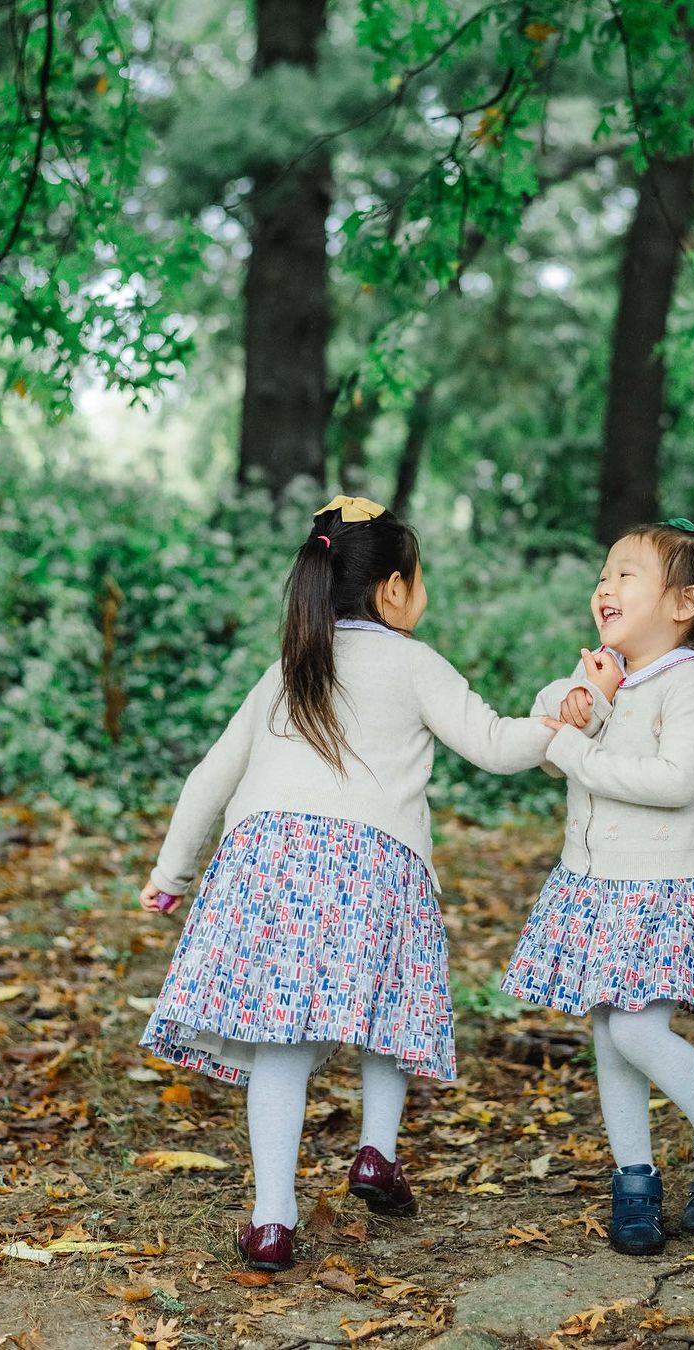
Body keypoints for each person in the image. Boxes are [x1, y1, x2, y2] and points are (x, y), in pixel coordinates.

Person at [138, 496, 556, 1270]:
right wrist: (570, 712)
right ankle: (376, 1153)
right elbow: (498, 745)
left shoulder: (289, 667)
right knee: (388, 1012)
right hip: (373, 865)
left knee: (281, 1046)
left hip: (267, 864)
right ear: (392, 590)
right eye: (421, 581)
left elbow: (209, 778)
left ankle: (271, 1220)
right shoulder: (413, 662)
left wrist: (171, 873)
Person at [502, 517, 694, 1256]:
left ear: (684, 603)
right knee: (610, 1036)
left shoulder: (690, 686)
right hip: (597, 884)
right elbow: (552, 737)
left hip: (662, 887)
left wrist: (572, 741)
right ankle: (635, 1180)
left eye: (627, 573)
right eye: (604, 574)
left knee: (634, 1028)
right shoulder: (605, 675)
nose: (606, 585)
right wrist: (576, 704)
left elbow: (674, 782)